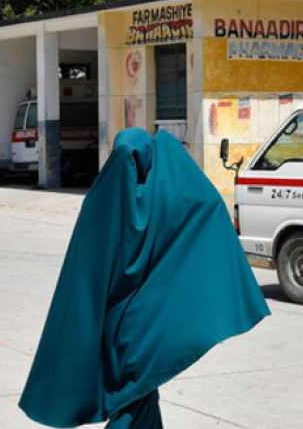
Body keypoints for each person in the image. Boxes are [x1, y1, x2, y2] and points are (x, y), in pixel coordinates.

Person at [20, 128, 270, 428]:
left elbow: (84, 274)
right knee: (134, 400)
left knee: (135, 398)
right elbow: (206, 205)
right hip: (148, 328)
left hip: (113, 327)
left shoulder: (102, 200)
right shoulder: (166, 198)